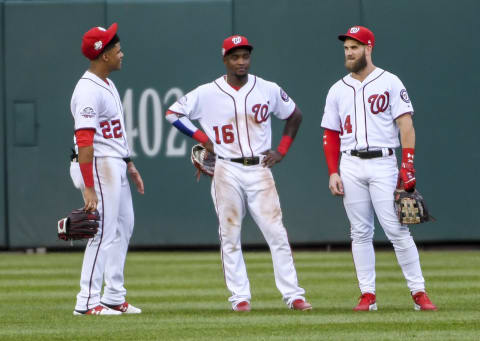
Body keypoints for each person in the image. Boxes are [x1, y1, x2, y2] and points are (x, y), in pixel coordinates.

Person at [165, 35, 312, 312]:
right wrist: (201, 136)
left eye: (245, 56)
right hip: (226, 168)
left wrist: (281, 150)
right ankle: (240, 297)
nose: (241, 61)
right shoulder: (207, 92)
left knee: (276, 233)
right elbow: (173, 113)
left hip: (259, 168)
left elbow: (295, 115)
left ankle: (294, 295)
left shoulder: (267, 89)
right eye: (235, 56)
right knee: (229, 234)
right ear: (225, 60)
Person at [321, 26, 437, 311]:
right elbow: (330, 134)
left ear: (368, 48)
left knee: (397, 230)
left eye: (355, 47)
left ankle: (419, 293)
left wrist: (407, 164)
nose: (349, 52)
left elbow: (405, 125)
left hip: (384, 161)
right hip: (350, 163)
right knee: (359, 232)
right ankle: (368, 295)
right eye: (346, 48)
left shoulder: (390, 81)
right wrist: (332, 171)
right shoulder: (337, 89)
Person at [69, 23, 144, 315]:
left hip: (113, 162)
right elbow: (85, 140)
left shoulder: (107, 83)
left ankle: (113, 294)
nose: (121, 53)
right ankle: (86, 302)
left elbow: (113, 132)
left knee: (124, 226)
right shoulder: (88, 89)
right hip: (97, 165)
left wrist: (129, 162)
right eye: (116, 50)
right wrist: (88, 186)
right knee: (101, 232)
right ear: (103, 56)